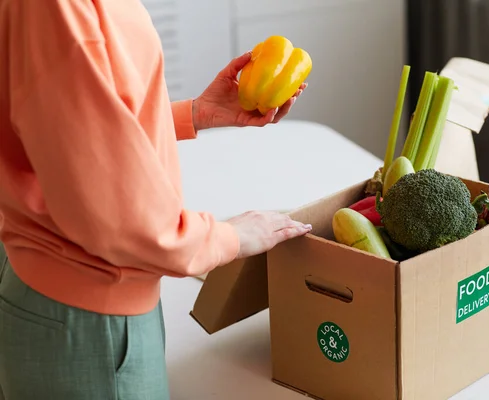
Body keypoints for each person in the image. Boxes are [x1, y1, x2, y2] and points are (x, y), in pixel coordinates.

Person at [0, 1, 312, 399]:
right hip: (90, 320)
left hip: (66, 299)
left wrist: (195, 114)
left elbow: (70, 127)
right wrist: (229, 237)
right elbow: (118, 219)